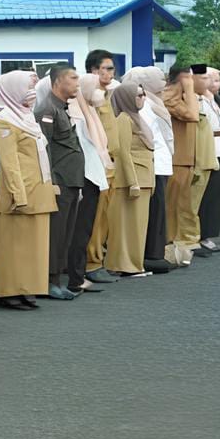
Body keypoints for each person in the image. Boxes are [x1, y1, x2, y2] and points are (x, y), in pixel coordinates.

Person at [0, 71, 53, 309]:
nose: (31, 95)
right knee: (13, 245)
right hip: (18, 191)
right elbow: (8, 162)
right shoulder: (4, 120)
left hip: (38, 189)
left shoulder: (26, 117)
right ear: (12, 90)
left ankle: (27, 287)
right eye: (26, 90)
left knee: (32, 245)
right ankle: (8, 291)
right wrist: (18, 193)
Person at [35, 63, 85, 299]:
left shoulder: (61, 107)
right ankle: (50, 280)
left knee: (65, 233)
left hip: (71, 181)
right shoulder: (47, 108)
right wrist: (52, 182)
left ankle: (57, 279)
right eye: (73, 78)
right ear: (58, 82)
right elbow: (45, 149)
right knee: (56, 234)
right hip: (60, 182)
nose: (78, 82)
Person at [124, 67, 175, 271]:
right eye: (157, 78)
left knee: (159, 209)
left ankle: (156, 251)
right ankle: (152, 254)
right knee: (154, 209)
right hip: (152, 163)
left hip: (162, 161)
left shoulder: (155, 100)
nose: (162, 82)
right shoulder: (142, 103)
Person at [105, 82, 157, 275]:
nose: (142, 98)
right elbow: (123, 153)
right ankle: (123, 264)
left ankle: (134, 264)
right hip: (132, 180)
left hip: (144, 178)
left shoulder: (137, 119)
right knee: (127, 226)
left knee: (138, 226)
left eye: (143, 94)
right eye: (138, 95)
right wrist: (132, 182)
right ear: (126, 97)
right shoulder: (124, 119)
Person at [68, 72, 112, 291]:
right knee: (79, 230)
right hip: (83, 178)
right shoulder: (75, 114)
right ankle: (75, 277)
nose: (99, 91)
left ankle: (78, 273)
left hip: (93, 177)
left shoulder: (89, 111)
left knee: (85, 230)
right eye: (94, 86)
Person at [81, 51, 121, 285]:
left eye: (112, 69)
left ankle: (99, 257)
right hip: (98, 164)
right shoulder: (89, 96)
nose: (109, 73)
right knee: (95, 217)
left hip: (110, 161)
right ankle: (92, 262)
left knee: (105, 215)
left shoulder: (106, 95)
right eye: (105, 68)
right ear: (94, 71)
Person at [162, 64, 203, 263]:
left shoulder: (183, 96)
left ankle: (176, 244)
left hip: (185, 158)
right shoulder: (170, 96)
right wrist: (188, 89)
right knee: (171, 206)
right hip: (175, 159)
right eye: (190, 78)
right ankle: (167, 246)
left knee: (179, 206)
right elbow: (193, 116)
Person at [196, 66, 220, 252]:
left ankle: (209, 234)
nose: (214, 83)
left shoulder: (213, 99)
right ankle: (202, 235)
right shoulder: (198, 99)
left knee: (213, 195)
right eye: (211, 79)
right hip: (209, 149)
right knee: (206, 196)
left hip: (219, 148)